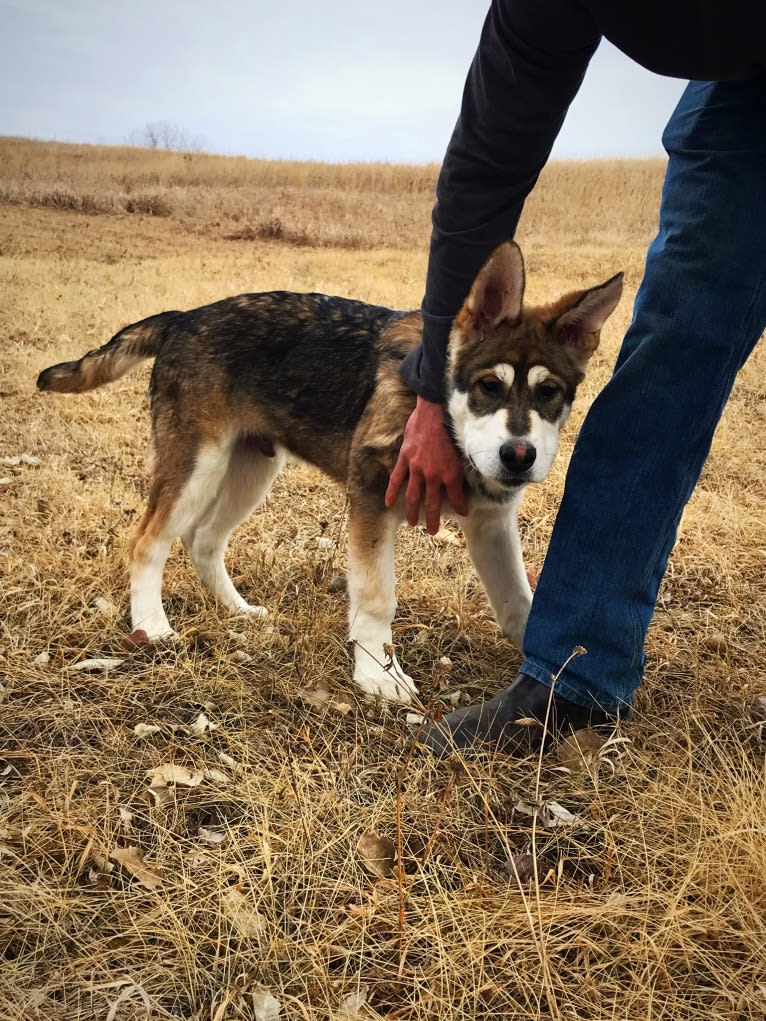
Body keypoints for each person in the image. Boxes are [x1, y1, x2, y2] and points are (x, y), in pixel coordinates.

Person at [385, 0, 766, 756]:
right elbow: (485, 169)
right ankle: (573, 682)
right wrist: (435, 388)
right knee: (662, 366)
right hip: (743, 94)